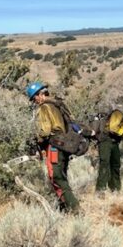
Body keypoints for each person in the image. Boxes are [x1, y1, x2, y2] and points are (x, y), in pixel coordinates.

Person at [25, 81, 79, 212]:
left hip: (55, 144)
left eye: (34, 99)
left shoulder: (44, 107)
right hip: (66, 144)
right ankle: (64, 206)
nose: (35, 102)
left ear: (39, 95)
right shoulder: (58, 104)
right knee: (62, 174)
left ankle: (74, 208)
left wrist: (38, 141)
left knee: (56, 176)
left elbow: (45, 131)